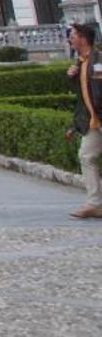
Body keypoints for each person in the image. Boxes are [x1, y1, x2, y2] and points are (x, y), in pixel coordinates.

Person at [69, 21, 102, 220]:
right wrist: (75, 125)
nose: (70, 39)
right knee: (86, 156)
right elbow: (84, 97)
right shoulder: (81, 63)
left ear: (83, 38)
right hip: (93, 122)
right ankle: (95, 204)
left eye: (73, 35)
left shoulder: (98, 60)